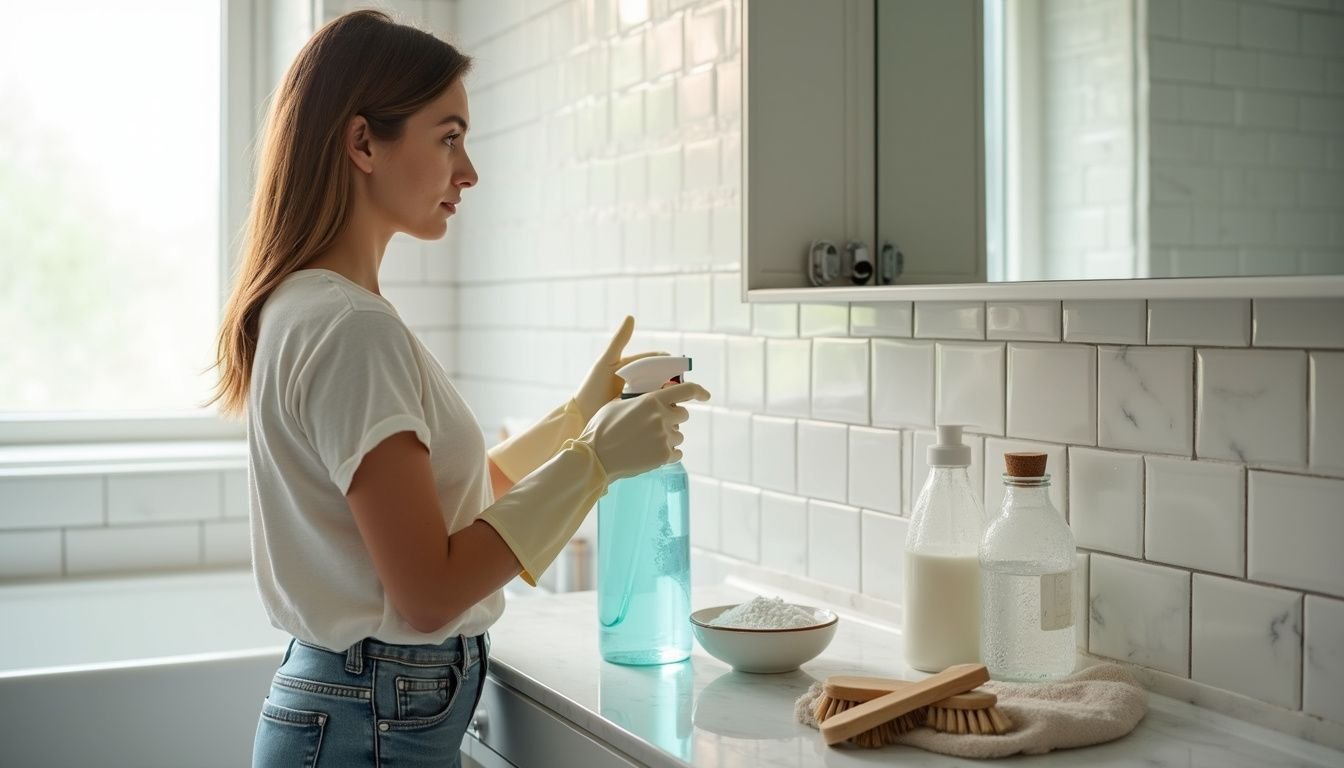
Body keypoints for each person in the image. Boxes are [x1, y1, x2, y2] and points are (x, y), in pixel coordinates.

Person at [207, 10, 710, 767]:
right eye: (448, 137)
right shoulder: (352, 327)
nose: (468, 170)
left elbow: (443, 506)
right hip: (370, 715)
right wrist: (594, 463)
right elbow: (429, 591)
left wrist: (577, 419)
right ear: (363, 142)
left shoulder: (312, 306)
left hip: (355, 709)